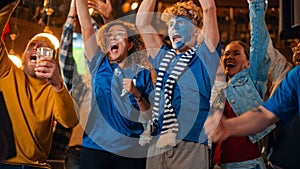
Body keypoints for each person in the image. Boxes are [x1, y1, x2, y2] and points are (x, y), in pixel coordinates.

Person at [136, 0, 221, 168]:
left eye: (181, 22)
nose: (174, 27)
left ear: (197, 32)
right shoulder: (164, 58)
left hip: (190, 143)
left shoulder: (205, 57)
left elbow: (209, 8)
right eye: (171, 24)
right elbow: (142, 23)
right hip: (157, 141)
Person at [76, 0, 156, 168]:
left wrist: (137, 95)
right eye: (110, 37)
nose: (113, 38)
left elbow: (149, 116)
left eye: (119, 36)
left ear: (130, 44)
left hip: (130, 152)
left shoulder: (142, 73)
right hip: (96, 149)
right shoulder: (99, 63)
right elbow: (86, 26)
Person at [0, 1, 78, 168]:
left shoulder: (53, 89)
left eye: (44, 49)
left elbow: (70, 121)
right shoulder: (7, 71)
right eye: (32, 46)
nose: (36, 49)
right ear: (24, 54)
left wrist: (58, 84)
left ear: (52, 59)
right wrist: (11, 3)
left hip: (37, 166)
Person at [209, 0, 279, 168]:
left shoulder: (252, 81)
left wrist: (255, 5)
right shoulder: (217, 88)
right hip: (218, 163)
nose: (229, 57)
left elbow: (258, 46)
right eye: (226, 54)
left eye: (236, 53)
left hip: (246, 164)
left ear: (248, 63)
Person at [58, 0, 113, 169]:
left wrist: (108, 19)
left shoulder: (111, 78)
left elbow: (114, 47)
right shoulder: (79, 85)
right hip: (78, 149)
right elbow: (65, 56)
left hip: (109, 148)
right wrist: (71, 17)